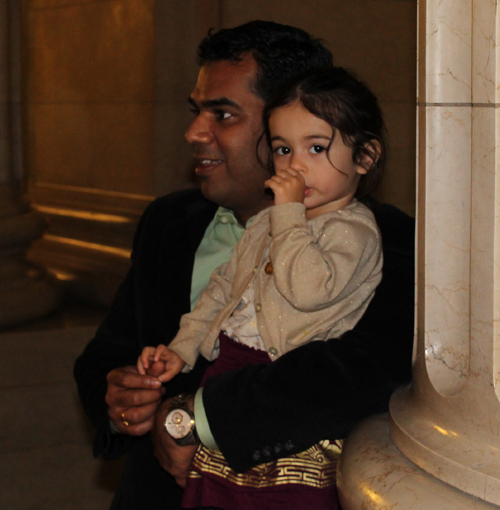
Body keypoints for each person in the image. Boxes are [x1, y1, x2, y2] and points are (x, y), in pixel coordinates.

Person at [74, 20, 415, 510]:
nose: (194, 132)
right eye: (197, 112)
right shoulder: (171, 221)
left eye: (224, 115)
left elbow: (361, 374)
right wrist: (121, 397)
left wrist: (191, 418)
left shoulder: (389, 238)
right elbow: (108, 348)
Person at [137, 66, 386, 509]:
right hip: (229, 372)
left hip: (282, 394)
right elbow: (222, 291)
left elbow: (307, 290)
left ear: (364, 158)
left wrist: (287, 214)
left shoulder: (355, 232)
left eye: (316, 148)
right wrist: (182, 348)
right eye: (283, 149)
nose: (295, 166)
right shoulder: (268, 222)